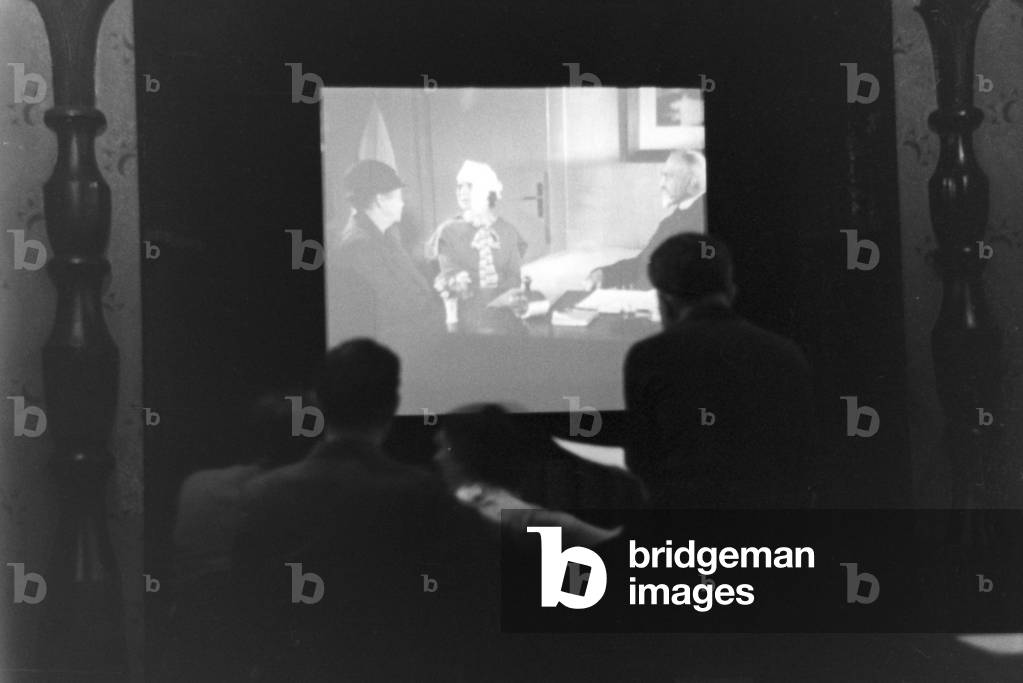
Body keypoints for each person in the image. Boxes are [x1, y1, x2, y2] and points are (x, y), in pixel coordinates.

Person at [232, 339, 500, 680]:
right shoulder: (422, 494)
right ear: (393, 405)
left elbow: (247, 607)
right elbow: (470, 594)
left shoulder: (262, 495)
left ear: (319, 402)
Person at [623, 233, 815, 508]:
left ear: (666, 302)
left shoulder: (649, 356)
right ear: (730, 288)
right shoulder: (786, 353)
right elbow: (803, 457)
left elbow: (642, 461)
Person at [434, 403, 620, 547]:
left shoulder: (514, 518)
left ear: (467, 453)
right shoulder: (513, 515)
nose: (438, 457)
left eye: (446, 447)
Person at [334, 159, 445, 352]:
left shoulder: (388, 235)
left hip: (415, 335)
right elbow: (398, 305)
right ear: (380, 200)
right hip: (394, 349)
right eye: (398, 197)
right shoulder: (358, 246)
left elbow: (417, 287)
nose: (402, 203)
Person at [587, 149, 706, 290]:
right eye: (662, 176)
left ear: (692, 183)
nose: (661, 184)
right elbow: (643, 263)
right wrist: (605, 274)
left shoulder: (703, 219)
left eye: (669, 177)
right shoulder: (671, 222)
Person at [426, 160, 528, 305]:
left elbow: (514, 279)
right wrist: (457, 281)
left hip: (503, 305)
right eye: (459, 186)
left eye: (470, 186)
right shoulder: (448, 231)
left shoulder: (508, 231)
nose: (462, 192)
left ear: (487, 190)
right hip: (464, 307)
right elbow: (449, 276)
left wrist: (500, 302)